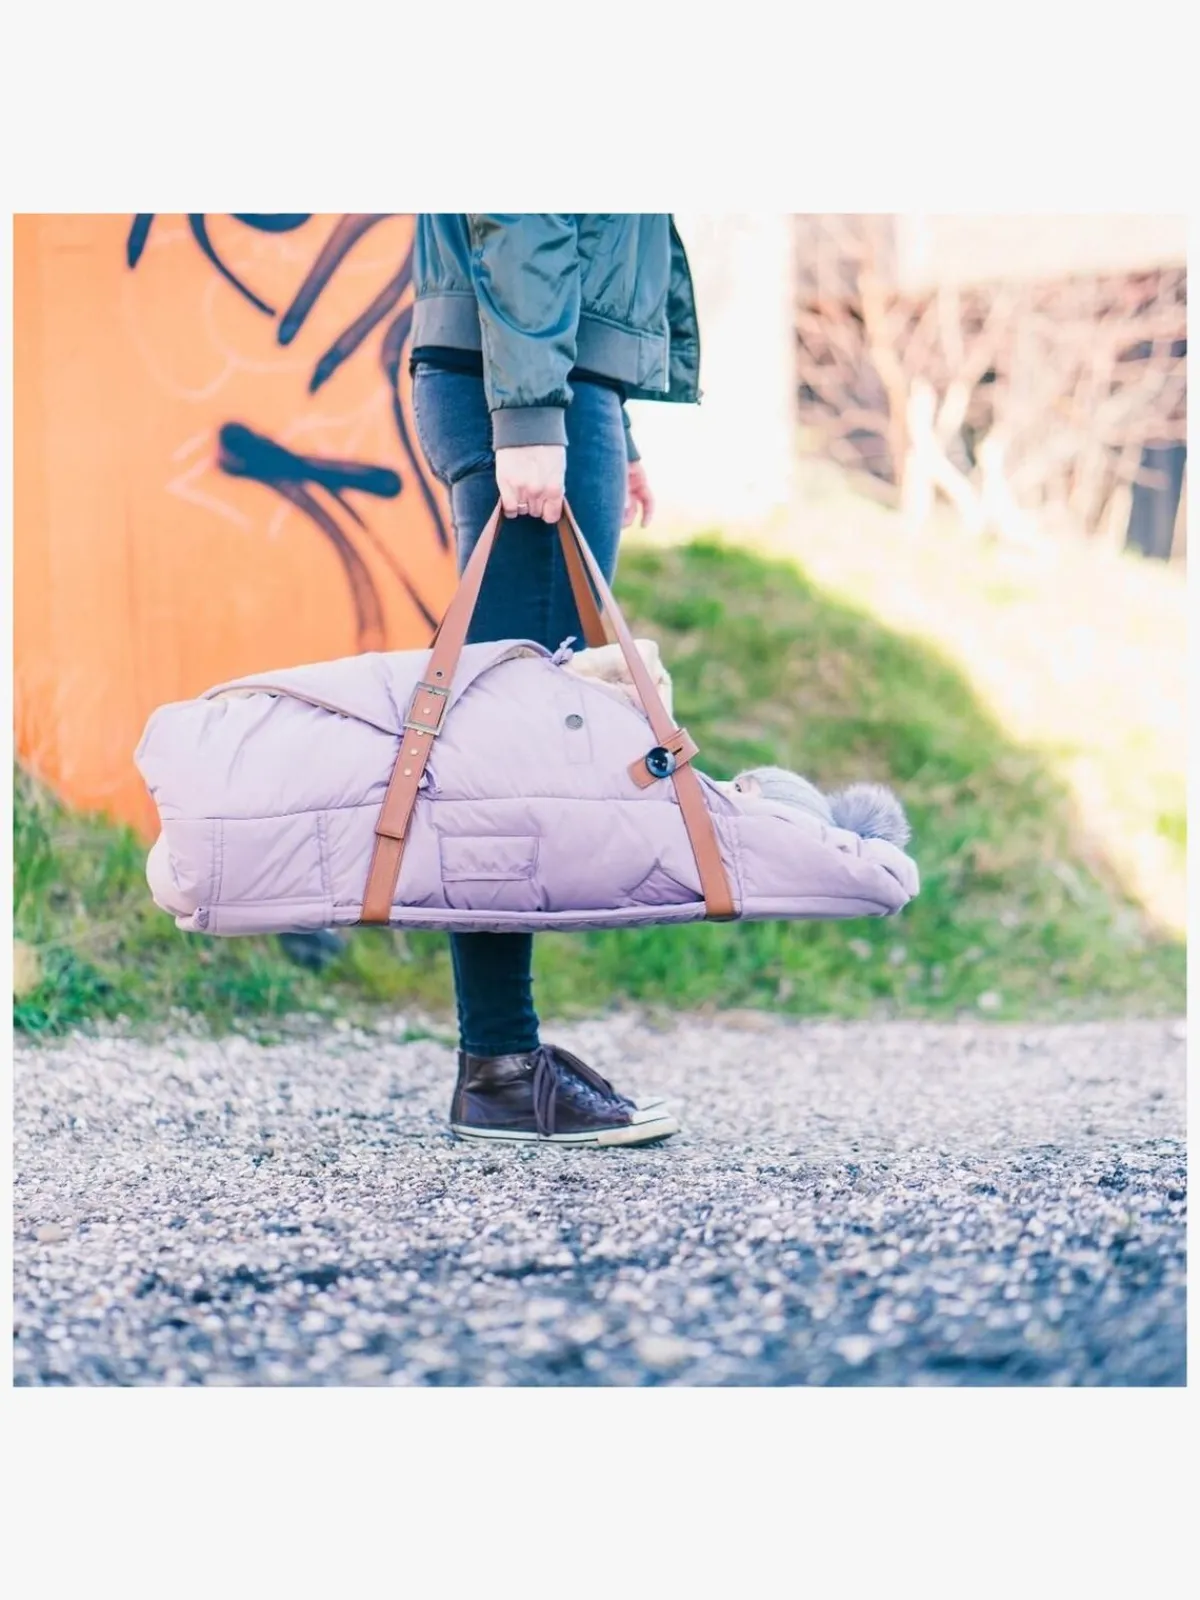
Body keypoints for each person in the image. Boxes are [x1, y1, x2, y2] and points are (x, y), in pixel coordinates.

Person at [409, 213, 701, 1147]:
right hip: (527, 379)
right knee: (510, 748)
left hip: (550, 374)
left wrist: (615, 422)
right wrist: (537, 416)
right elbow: (527, 212)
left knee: (518, 733)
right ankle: (498, 1066)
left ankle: (502, 1057)